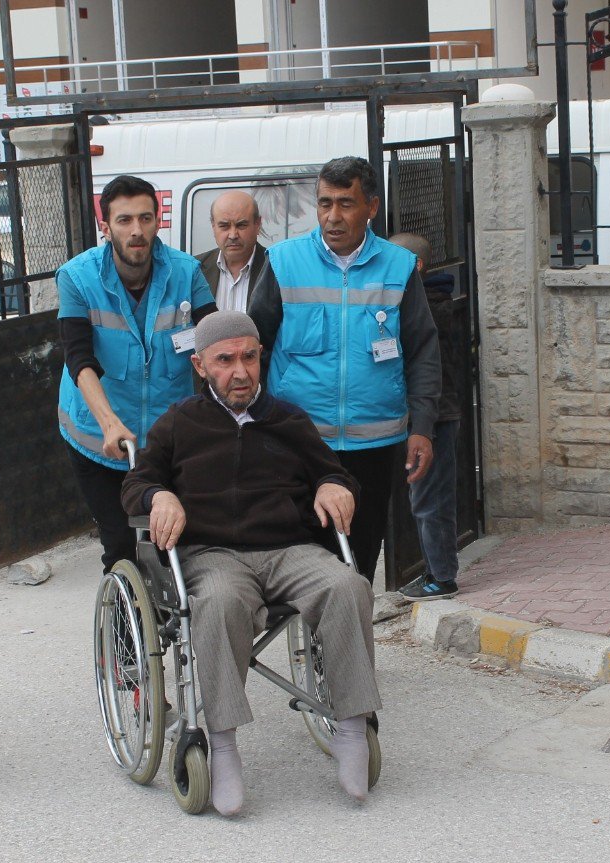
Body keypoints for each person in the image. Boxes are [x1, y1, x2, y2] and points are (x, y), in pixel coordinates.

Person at [121, 311, 380, 817]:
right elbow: (136, 482)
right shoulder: (180, 423)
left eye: (249, 357)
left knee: (347, 585)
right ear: (200, 365)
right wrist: (158, 496)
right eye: (225, 360)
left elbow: (335, 473)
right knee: (217, 603)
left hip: (289, 549)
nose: (240, 371)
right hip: (213, 555)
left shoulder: (287, 420)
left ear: (261, 358)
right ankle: (222, 746)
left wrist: (334, 485)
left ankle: (352, 726)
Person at [248, 155, 441, 585]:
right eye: (324, 203)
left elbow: (422, 351)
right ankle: (318, 642)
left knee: (360, 560)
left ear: (372, 207)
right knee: (309, 559)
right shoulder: (283, 261)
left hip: (374, 442)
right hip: (299, 441)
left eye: (346, 204)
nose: (333, 217)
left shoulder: (398, 267)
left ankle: (344, 643)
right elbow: (254, 347)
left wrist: (422, 426)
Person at [57, 174, 215, 573]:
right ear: (105, 225)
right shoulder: (77, 278)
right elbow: (79, 358)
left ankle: (173, 625)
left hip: (165, 437)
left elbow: (215, 343)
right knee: (122, 546)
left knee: (173, 541)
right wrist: (110, 424)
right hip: (100, 437)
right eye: (125, 220)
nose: (137, 230)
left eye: (146, 218)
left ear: (158, 220)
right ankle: (128, 632)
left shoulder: (186, 272)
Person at [389, 232, 464, 600]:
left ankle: (442, 577)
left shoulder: (431, 306)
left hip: (434, 417)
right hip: (426, 415)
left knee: (430, 499)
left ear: (416, 266)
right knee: (424, 497)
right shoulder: (425, 300)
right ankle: (436, 570)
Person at [196, 190, 268, 313]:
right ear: (213, 226)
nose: (233, 235)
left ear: (257, 224)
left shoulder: (275, 268)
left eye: (241, 225)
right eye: (224, 226)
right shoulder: (196, 269)